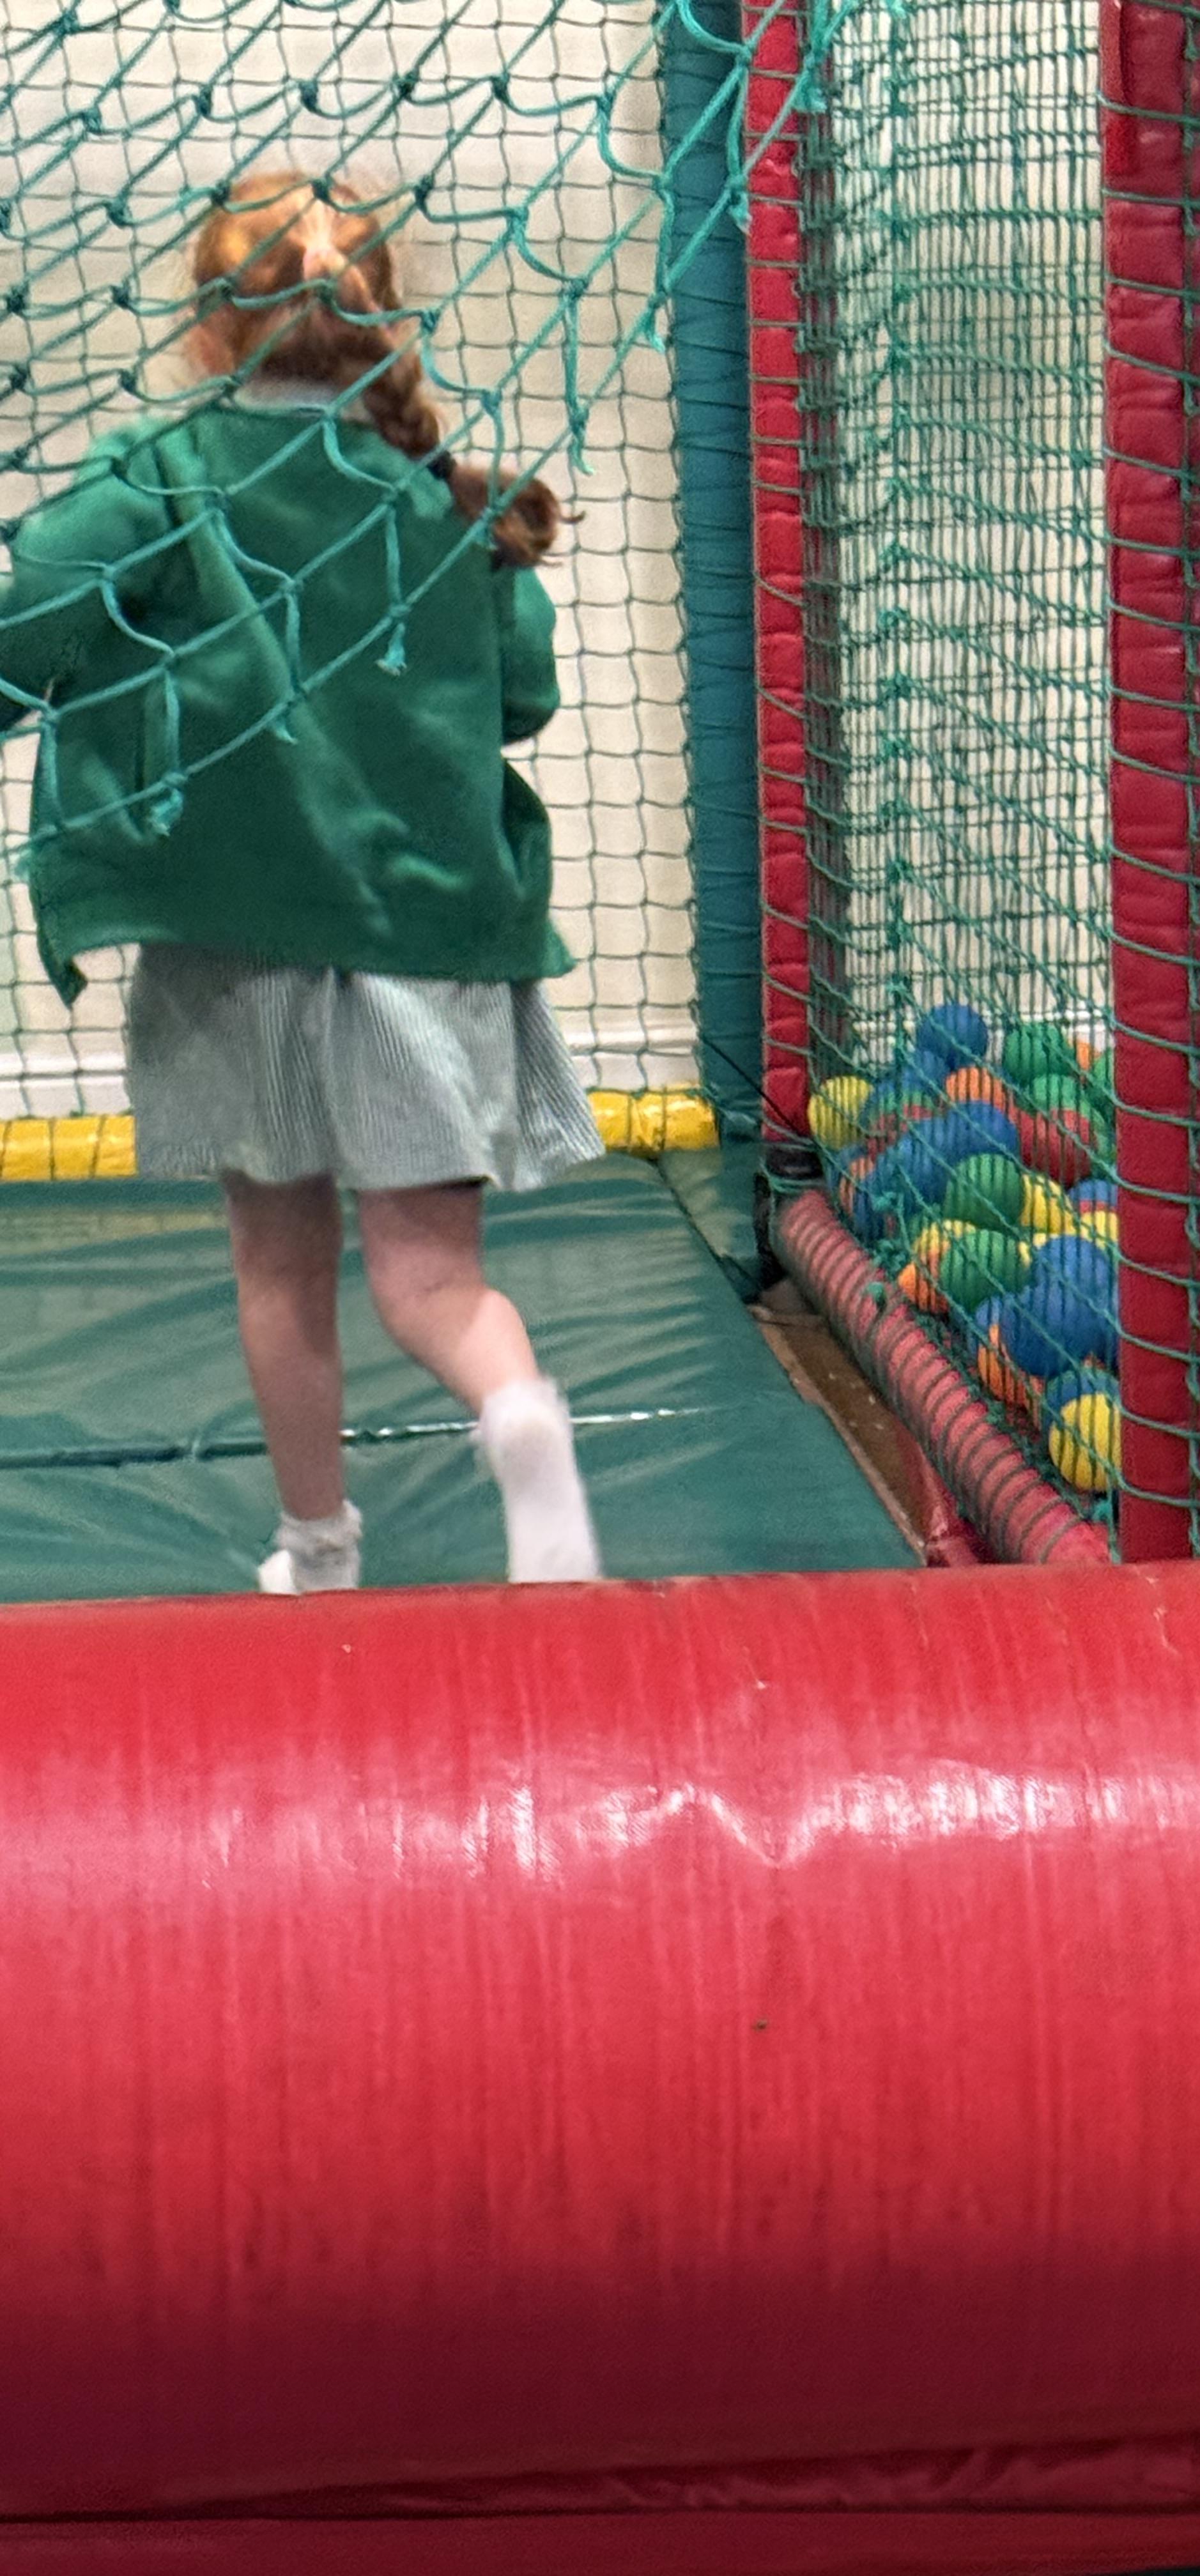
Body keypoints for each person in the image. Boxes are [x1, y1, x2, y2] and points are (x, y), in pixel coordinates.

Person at [0, 171, 603, 1591]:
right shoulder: (442, 496)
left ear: (211, 326)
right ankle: (517, 1410)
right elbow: (521, 697)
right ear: (381, 316)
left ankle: (317, 1547)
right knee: (432, 1280)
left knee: (278, 1263)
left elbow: (26, 632)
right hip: (428, 932)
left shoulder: (162, 476)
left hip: (241, 940)